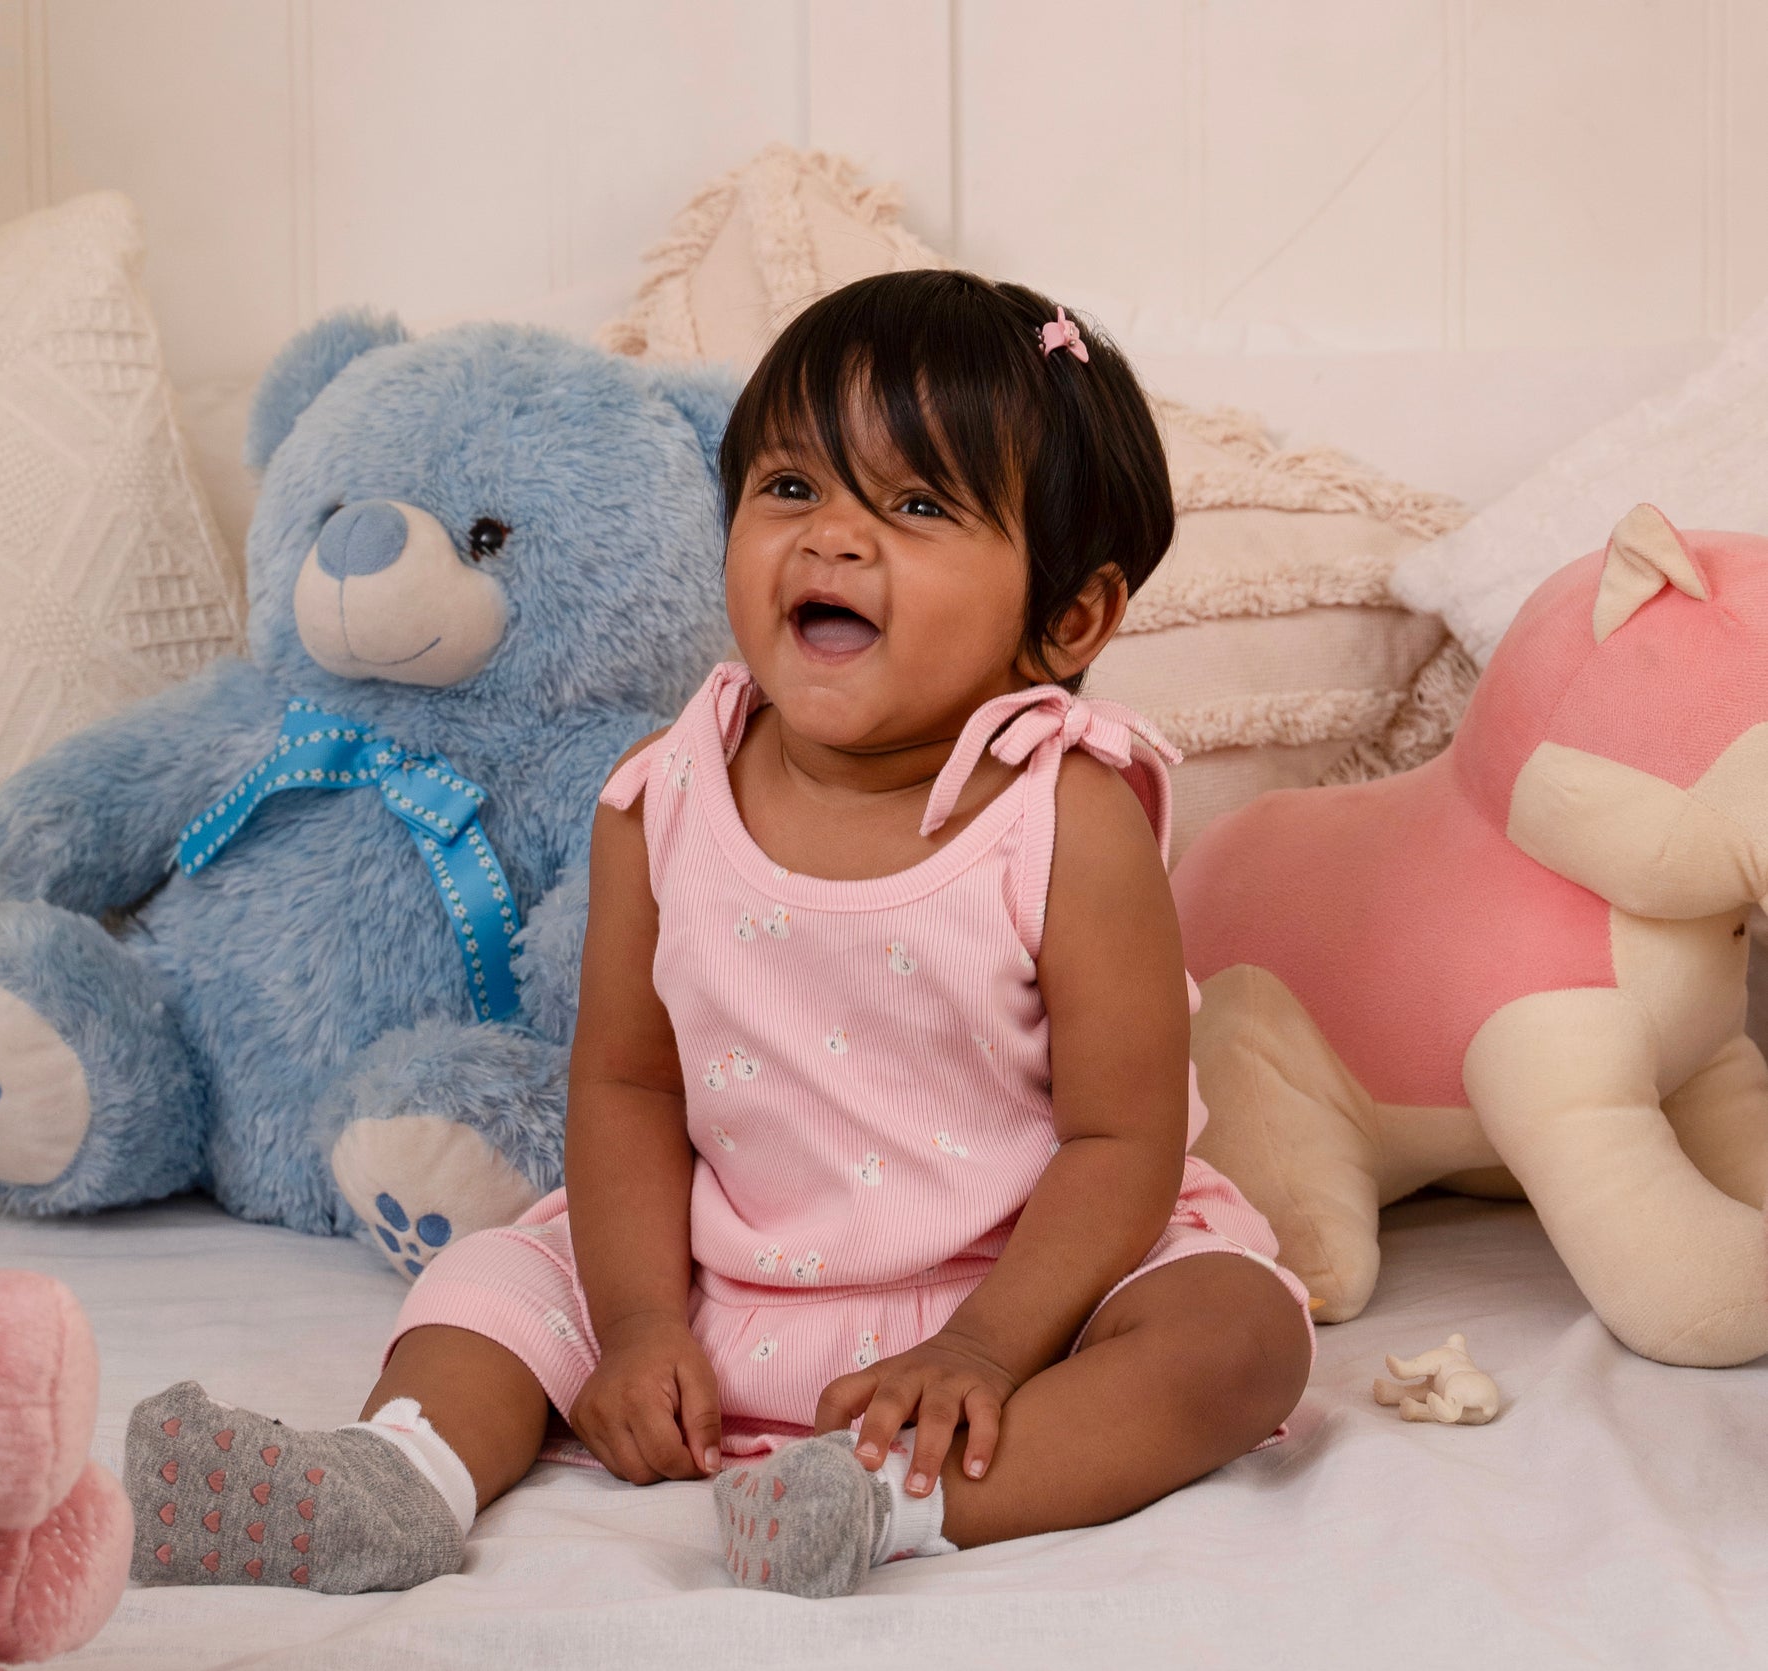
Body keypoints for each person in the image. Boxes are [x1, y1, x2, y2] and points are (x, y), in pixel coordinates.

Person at [127, 270, 1314, 1601]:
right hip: (717, 1266)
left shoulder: (1064, 816)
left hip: (1021, 1279)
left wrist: (983, 1349)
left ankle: (892, 1499)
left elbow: (1120, 1142)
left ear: (1069, 617)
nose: (832, 539)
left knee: (1236, 1335)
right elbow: (627, 1084)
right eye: (791, 486)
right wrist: (637, 1323)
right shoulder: (663, 792)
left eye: (918, 506)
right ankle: (398, 1474)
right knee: (493, 1282)